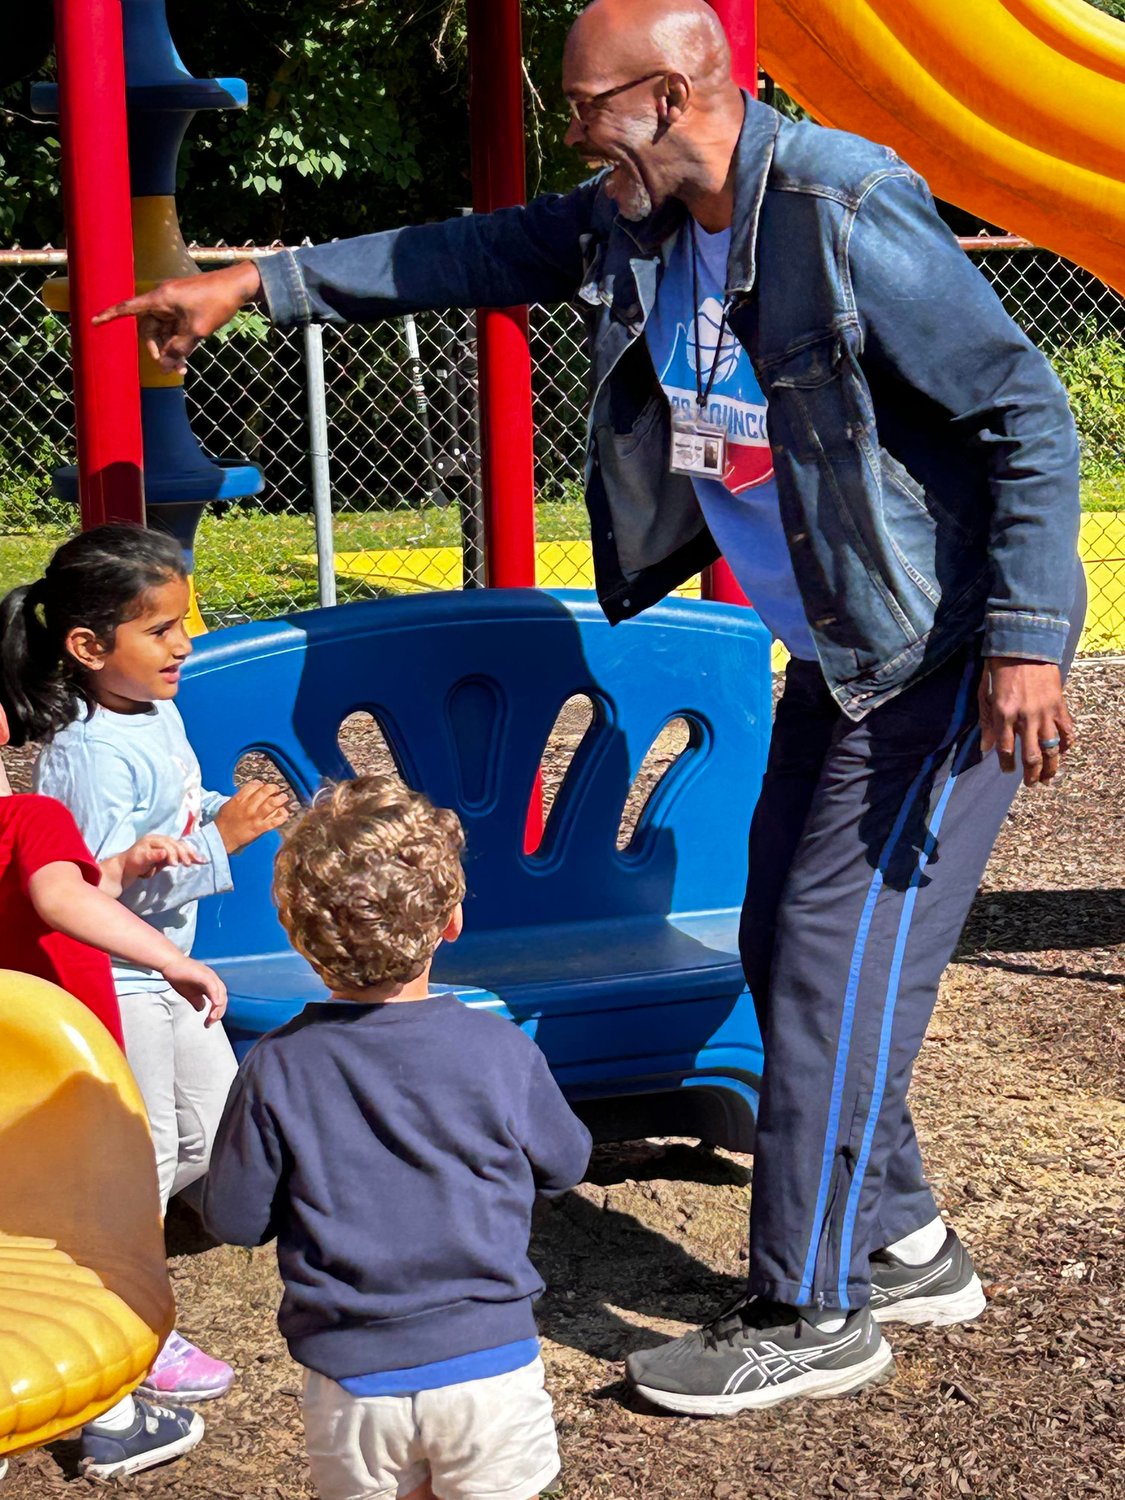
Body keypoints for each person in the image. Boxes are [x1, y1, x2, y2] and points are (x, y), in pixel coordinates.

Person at [98, 0, 1086, 1417]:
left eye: (586, 107)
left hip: (937, 656)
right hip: (842, 650)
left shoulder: (839, 206)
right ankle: (903, 1235)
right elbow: (466, 251)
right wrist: (256, 284)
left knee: (826, 959)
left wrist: (1029, 639)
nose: (573, 136)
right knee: (785, 939)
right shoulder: (635, 218)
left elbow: (1023, 413)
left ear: (679, 93)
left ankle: (812, 1310)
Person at [201, 775, 592, 1500]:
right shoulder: (497, 1049)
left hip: (352, 1381)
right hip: (488, 1365)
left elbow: (232, 1219)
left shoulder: (276, 1066)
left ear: (297, 932)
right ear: (450, 922)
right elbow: (565, 1162)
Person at [0, 522, 290, 1407]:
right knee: (144, 1153)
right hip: (115, 985)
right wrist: (223, 841)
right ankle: (124, 1306)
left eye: (181, 622)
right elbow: (98, 894)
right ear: (89, 647)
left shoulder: (156, 711)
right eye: (160, 630)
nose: (184, 644)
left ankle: (116, 1242)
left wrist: (219, 812)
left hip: (171, 971)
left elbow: (176, 808)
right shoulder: (86, 754)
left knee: (214, 1128)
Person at [0, 695, 228, 1478]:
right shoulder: (29, 818)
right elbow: (58, 895)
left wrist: (121, 868)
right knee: (81, 1237)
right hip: (64, 1079)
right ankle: (119, 1418)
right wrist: (169, 958)